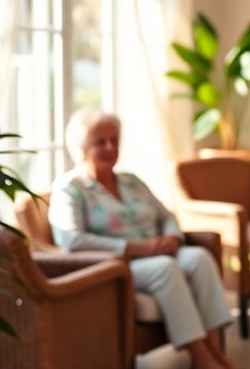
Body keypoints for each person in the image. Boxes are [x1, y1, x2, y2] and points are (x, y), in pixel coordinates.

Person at [48, 109, 237, 369]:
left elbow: (165, 215)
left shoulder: (131, 181)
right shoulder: (70, 189)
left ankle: (215, 351)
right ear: (80, 147)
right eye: (100, 142)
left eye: (114, 140)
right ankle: (201, 357)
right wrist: (139, 248)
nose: (110, 147)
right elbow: (71, 240)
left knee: (200, 258)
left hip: (158, 249)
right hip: (119, 263)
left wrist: (172, 237)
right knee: (166, 269)